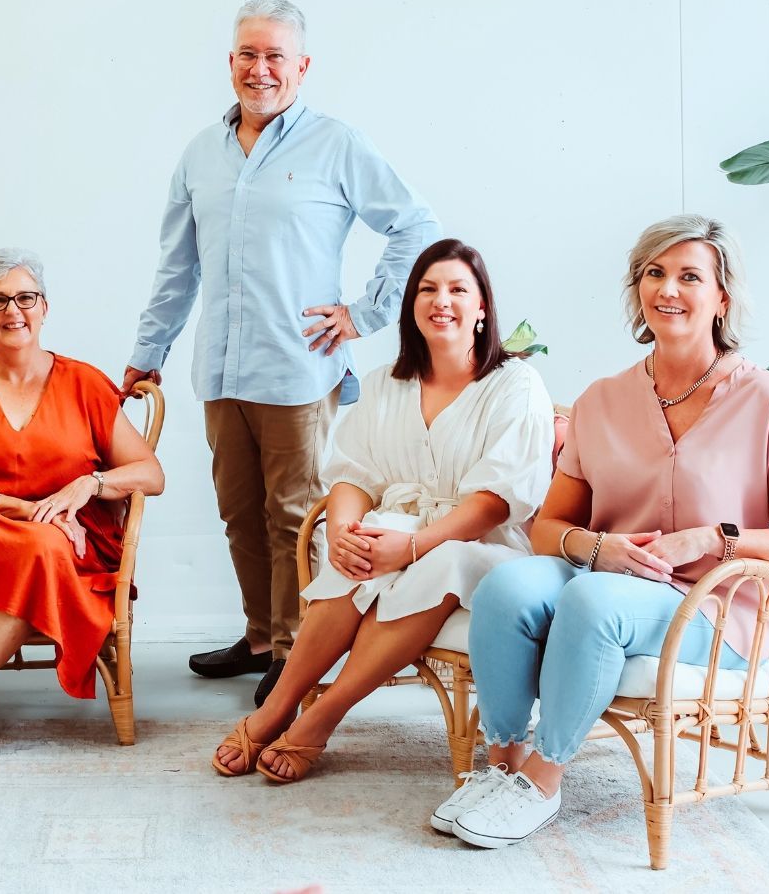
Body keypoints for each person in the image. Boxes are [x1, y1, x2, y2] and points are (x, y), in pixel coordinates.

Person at [441, 215, 769, 849]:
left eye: (690, 276)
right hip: (605, 574)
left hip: (715, 605)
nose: (668, 289)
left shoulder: (768, 399)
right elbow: (550, 526)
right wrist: (600, 547)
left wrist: (715, 538)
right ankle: (503, 766)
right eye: (654, 274)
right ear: (637, 290)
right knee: (507, 586)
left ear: (722, 297)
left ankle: (544, 780)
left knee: (590, 600)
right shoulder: (603, 400)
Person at [124, 0, 441, 703]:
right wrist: (149, 350)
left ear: (301, 66)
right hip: (221, 364)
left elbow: (414, 225)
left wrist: (365, 314)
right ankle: (261, 636)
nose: (259, 68)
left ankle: (298, 651)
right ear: (229, 62)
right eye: (246, 54)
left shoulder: (336, 145)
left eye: (273, 56)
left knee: (293, 514)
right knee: (238, 511)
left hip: (298, 366)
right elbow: (177, 266)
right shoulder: (199, 154)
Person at [211, 239, 554, 783]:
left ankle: (323, 715)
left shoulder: (515, 384)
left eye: (458, 289)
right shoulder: (384, 385)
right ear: (410, 305)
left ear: (483, 306)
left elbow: (496, 501)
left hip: (487, 549)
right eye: (428, 289)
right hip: (401, 533)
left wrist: (415, 546)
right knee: (366, 542)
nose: (442, 301)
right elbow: (352, 474)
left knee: (444, 560)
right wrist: (347, 529)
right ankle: (279, 704)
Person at [0, 249, 164, 796]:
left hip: (64, 542)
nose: (12, 310)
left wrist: (88, 484)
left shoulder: (85, 382)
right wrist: (21, 508)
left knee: (43, 546)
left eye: (25, 298)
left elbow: (150, 472)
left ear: (44, 308)